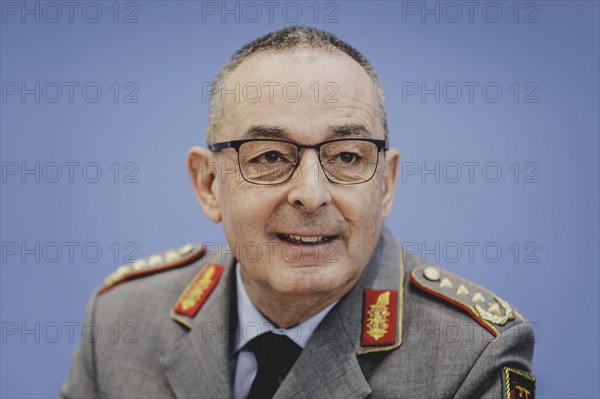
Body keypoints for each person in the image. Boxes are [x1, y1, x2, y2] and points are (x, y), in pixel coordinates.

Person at [62, 26, 535, 399]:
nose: (311, 193)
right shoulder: (122, 318)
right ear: (208, 183)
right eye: (269, 156)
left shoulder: (471, 355)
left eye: (347, 157)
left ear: (385, 184)